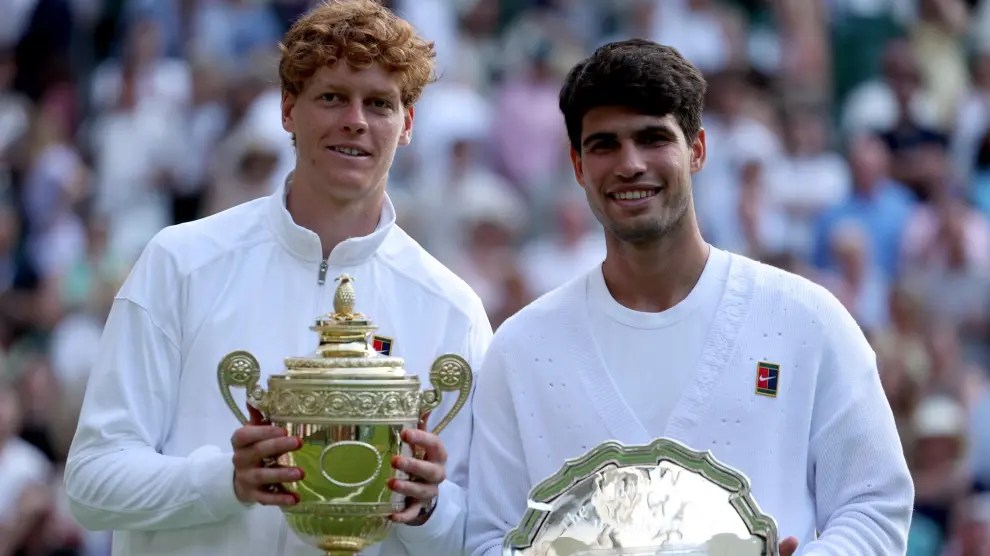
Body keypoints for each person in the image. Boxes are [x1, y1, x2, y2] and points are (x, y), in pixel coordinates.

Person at [63, 1, 492, 555]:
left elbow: (475, 536)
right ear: (288, 109)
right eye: (332, 96)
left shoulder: (451, 308)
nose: (355, 120)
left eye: (379, 103)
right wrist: (228, 480)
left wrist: (428, 507)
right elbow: (91, 482)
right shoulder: (182, 262)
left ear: (406, 124)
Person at [465, 39, 914, 556]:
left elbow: (875, 506)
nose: (630, 164)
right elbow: (488, 539)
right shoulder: (521, 349)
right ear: (577, 164)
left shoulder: (806, 320)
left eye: (653, 138)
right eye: (604, 144)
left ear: (697, 149)